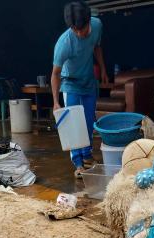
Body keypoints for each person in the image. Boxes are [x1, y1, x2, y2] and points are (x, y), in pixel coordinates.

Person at [52, 1, 109, 178]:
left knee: (89, 120)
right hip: (70, 83)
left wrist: (103, 69)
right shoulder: (64, 42)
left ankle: (87, 155)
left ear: (88, 22)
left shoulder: (97, 25)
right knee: (73, 124)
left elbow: (97, 47)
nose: (78, 33)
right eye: (74, 29)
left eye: (81, 29)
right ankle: (78, 163)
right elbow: (55, 74)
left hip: (89, 81)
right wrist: (55, 101)